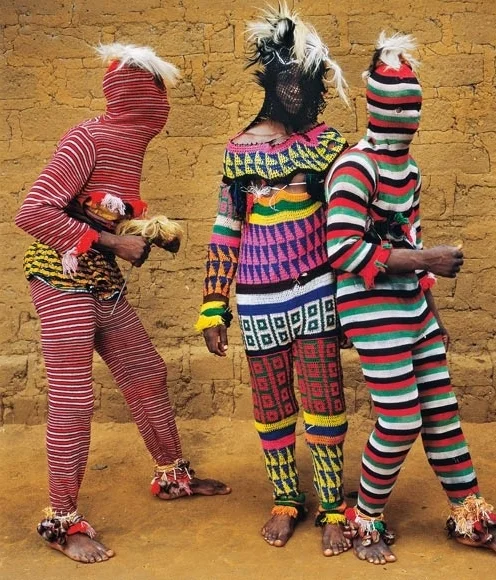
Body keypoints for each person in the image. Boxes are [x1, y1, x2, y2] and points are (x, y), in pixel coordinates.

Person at [15, 43, 230, 565]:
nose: (163, 106)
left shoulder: (125, 147)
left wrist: (147, 233)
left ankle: (172, 476)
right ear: (135, 96)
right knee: (73, 398)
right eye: (156, 92)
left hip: (98, 277)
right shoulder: (86, 138)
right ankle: (62, 521)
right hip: (59, 277)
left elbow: (93, 212)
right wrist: (115, 242)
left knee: (146, 372)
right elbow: (33, 212)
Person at [325, 32, 496, 565]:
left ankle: (469, 513)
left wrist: (432, 313)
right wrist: (427, 260)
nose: (407, 117)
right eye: (397, 107)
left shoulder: (411, 170)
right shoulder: (356, 167)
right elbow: (343, 250)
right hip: (368, 306)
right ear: (377, 108)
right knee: (400, 419)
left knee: (441, 411)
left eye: (412, 106)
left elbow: (411, 239)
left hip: (411, 305)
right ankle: (365, 516)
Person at [196, 3, 351, 556]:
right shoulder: (239, 151)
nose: (294, 91)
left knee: (325, 398)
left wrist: (353, 297)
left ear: (316, 85)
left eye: (304, 81)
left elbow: (348, 223)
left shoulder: (327, 144)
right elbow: (226, 229)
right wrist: (214, 304)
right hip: (259, 301)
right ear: (268, 80)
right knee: (270, 405)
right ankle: (287, 499)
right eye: (286, 80)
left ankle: (333, 505)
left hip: (317, 292)